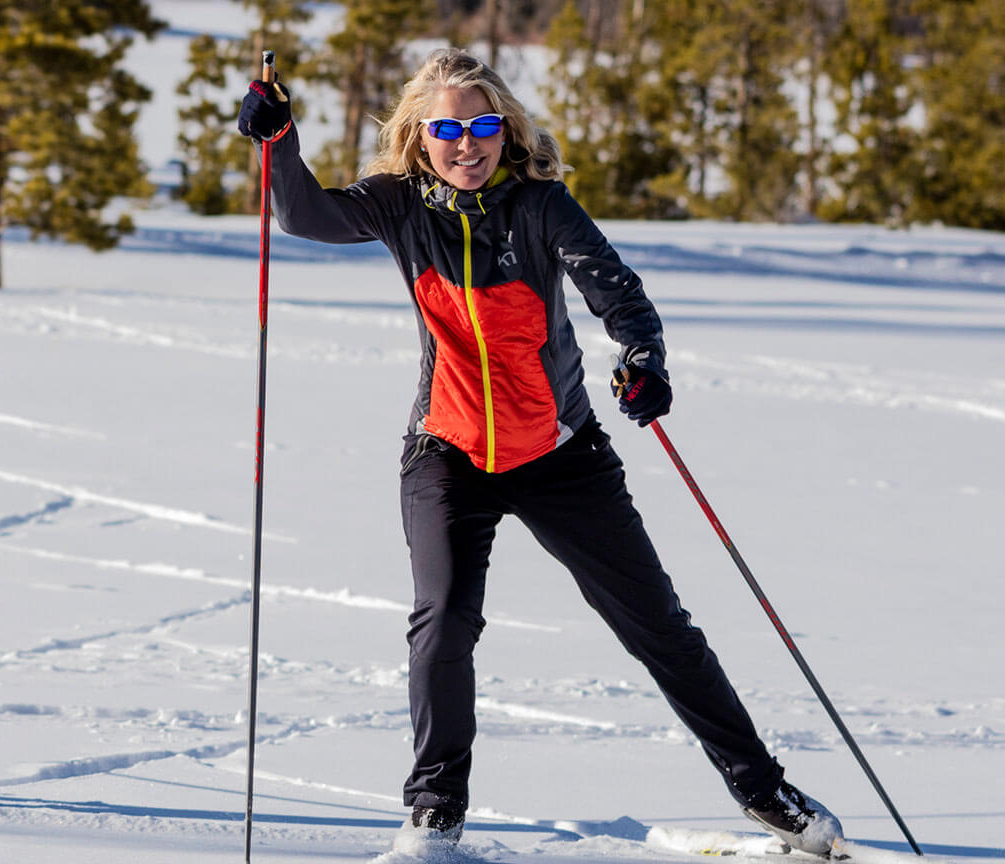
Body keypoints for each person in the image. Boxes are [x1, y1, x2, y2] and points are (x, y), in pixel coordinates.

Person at [235, 49, 843, 855]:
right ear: (421, 136)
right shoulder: (397, 205)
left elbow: (618, 294)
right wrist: (278, 145)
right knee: (443, 620)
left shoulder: (541, 207)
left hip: (560, 451)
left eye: (483, 125)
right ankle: (433, 814)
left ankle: (765, 791)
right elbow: (306, 216)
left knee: (657, 625)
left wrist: (642, 359)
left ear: (506, 129)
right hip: (446, 448)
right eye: (447, 128)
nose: (467, 144)